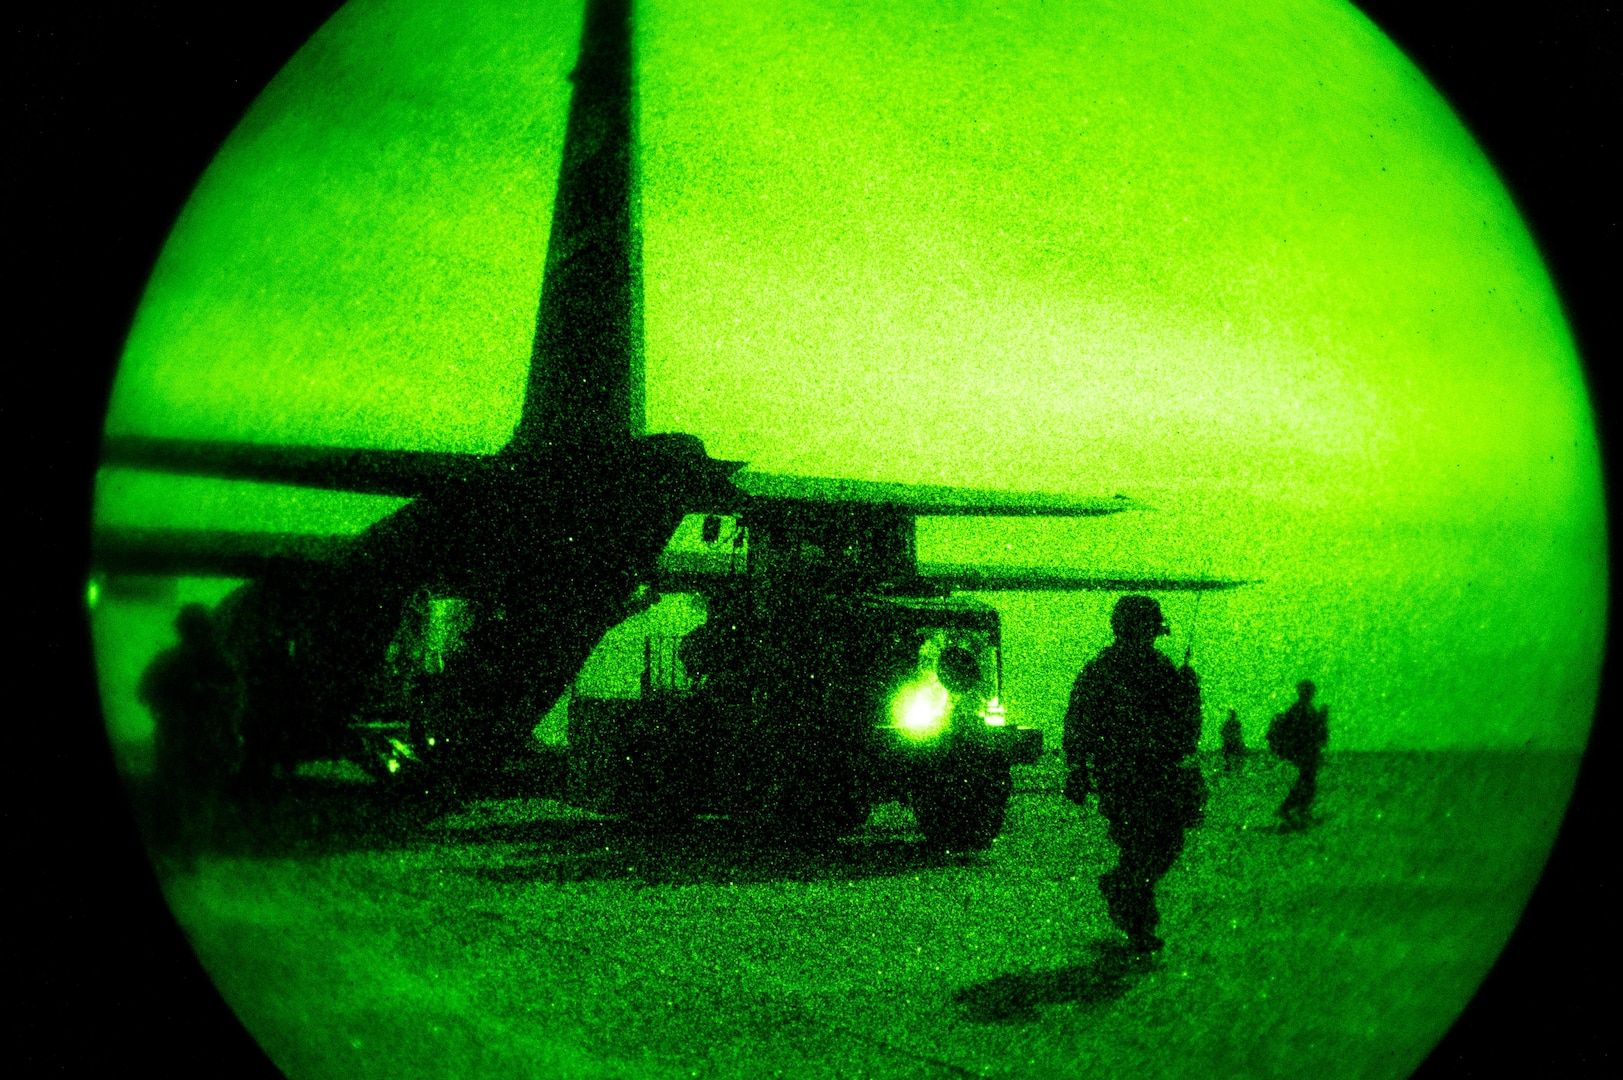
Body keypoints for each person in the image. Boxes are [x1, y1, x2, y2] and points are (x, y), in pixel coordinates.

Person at [1064, 595, 1206, 954]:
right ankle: (1139, 924)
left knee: (1164, 846)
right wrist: (1078, 769)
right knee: (1141, 848)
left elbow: (1186, 733)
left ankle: (1124, 894)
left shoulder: (1162, 669)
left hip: (1159, 773)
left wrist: (1190, 693)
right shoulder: (1103, 670)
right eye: (1147, 628)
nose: (1151, 635)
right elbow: (1079, 722)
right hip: (1123, 775)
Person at [1267, 679, 1329, 830]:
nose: (1312, 693)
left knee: (1307, 782)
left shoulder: (1305, 707)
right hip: (1304, 751)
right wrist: (1320, 718)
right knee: (1306, 782)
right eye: (1309, 690)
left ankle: (1299, 810)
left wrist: (1321, 718)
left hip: (1307, 751)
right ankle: (1289, 809)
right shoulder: (1300, 708)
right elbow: (1304, 730)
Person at [1220, 708, 1248, 774]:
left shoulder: (1232, 723)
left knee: (1230, 754)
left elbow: (1223, 732)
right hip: (1233, 741)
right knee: (1231, 754)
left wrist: (1228, 736)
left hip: (1232, 741)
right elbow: (1223, 732)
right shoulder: (1234, 723)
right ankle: (1232, 768)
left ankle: (1231, 768)